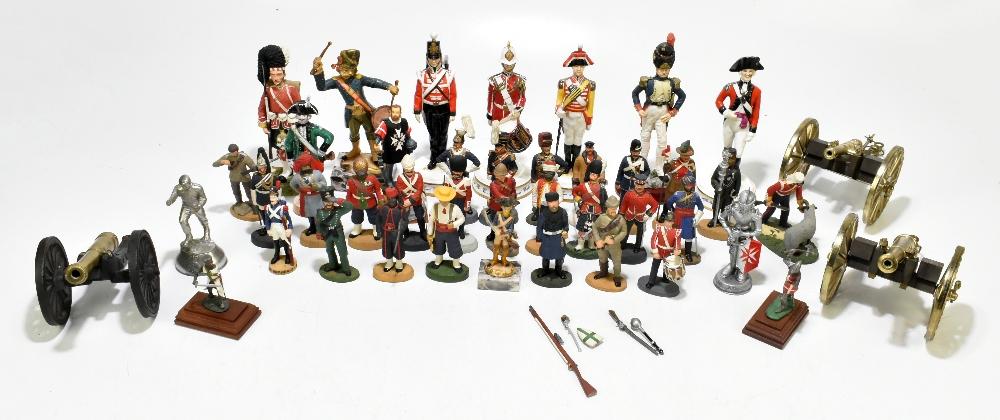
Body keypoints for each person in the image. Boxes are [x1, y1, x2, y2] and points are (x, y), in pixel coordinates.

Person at [311, 49, 400, 162]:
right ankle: (355, 149)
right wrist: (318, 71)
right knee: (353, 133)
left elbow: (373, 82)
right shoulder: (337, 81)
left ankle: (374, 152)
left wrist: (389, 86)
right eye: (343, 67)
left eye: (348, 68)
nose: (345, 71)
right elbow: (322, 87)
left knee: (370, 132)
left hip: (365, 112)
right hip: (351, 113)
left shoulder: (359, 78)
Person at [632, 33, 686, 170]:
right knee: (645, 138)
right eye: (662, 69)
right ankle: (641, 165)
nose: (664, 72)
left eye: (667, 69)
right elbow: (635, 93)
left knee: (662, 141)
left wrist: (672, 112)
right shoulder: (648, 82)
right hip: (648, 113)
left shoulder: (672, 83)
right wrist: (639, 109)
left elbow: (682, 96)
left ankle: (659, 167)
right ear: (657, 68)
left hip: (663, 114)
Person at [414, 35, 457, 169]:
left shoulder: (448, 75)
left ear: (440, 58)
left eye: (436, 58)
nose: (434, 61)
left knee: (443, 135)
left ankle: (442, 158)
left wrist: (452, 112)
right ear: (427, 59)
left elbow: (453, 94)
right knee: (433, 136)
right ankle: (434, 158)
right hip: (429, 109)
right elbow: (418, 94)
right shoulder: (422, 75)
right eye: (431, 58)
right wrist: (417, 110)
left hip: (444, 108)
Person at [257, 45, 301, 160]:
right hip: (275, 124)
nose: (276, 78)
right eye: (273, 75)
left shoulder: (292, 89)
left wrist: (297, 120)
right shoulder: (268, 90)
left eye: (279, 74)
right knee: (278, 145)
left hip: (290, 123)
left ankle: (293, 162)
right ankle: (283, 162)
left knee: (292, 144)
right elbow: (262, 108)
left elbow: (299, 107)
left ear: (284, 74)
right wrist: (263, 124)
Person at [716, 56, 764, 160]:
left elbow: (756, 111)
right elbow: (718, 101)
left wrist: (753, 129)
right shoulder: (730, 87)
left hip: (743, 125)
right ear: (740, 72)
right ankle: (724, 166)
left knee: (738, 152)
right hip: (729, 123)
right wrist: (725, 111)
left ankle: (735, 168)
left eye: (750, 71)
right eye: (745, 71)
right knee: (727, 149)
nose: (748, 73)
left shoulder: (757, 91)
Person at [555, 46, 596, 165]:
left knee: (578, 139)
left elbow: (590, 105)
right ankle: (567, 164)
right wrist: (559, 109)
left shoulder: (590, 84)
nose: (579, 69)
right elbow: (559, 100)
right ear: (572, 67)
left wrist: (589, 119)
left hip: (581, 116)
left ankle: (576, 164)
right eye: (576, 66)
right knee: (568, 139)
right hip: (568, 115)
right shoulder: (563, 83)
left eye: (581, 66)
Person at [487, 42, 527, 145]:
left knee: (512, 139)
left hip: (512, 113)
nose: (509, 66)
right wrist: (490, 115)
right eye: (506, 63)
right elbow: (490, 99)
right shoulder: (494, 80)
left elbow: (522, 98)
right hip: (497, 113)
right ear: (502, 63)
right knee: (498, 140)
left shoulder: (520, 80)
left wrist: (518, 109)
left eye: (511, 64)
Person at [666, 174, 704, 263]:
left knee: (688, 236)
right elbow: (669, 202)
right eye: (687, 185)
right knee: (676, 235)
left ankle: (688, 253)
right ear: (683, 184)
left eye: (690, 185)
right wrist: (673, 211)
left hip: (688, 219)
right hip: (677, 218)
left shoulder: (696, 196)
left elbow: (701, 207)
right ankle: (676, 251)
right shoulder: (677, 194)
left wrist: (696, 218)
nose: (688, 186)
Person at [374, 104, 415, 186]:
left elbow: (407, 133)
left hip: (403, 149)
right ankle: (389, 180)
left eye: (397, 112)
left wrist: (410, 141)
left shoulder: (404, 122)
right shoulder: (385, 123)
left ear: (400, 113)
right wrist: (376, 144)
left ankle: (406, 179)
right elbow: (379, 135)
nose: (395, 114)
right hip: (389, 151)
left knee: (406, 164)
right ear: (390, 112)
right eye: (393, 112)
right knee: (389, 166)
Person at [428, 186, 466, 271]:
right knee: (438, 247)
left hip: (451, 232)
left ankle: (456, 264)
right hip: (439, 232)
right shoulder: (435, 207)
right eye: (442, 199)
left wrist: (454, 224)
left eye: (446, 199)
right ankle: (438, 260)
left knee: (454, 247)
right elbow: (431, 220)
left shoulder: (455, 208)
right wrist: (430, 231)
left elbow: (462, 218)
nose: (444, 201)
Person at [316, 188, 354, 276]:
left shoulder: (338, 211)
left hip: (338, 233)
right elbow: (318, 223)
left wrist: (337, 200)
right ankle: (333, 265)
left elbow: (350, 206)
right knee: (329, 250)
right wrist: (319, 232)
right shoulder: (320, 212)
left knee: (342, 251)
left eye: (330, 201)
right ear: (323, 202)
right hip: (327, 234)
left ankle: (346, 268)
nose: (329, 203)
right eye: (326, 201)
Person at [572, 160, 608, 251]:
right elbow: (574, 191)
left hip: (596, 211)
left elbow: (604, 201)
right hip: (585, 209)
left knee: (593, 229)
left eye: (595, 174)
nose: (593, 175)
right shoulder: (583, 186)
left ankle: (591, 244)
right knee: (582, 228)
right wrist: (579, 199)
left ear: (598, 176)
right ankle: (580, 244)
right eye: (592, 173)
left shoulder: (601, 189)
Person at [592, 195, 628, 287]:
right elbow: (594, 227)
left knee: (616, 261)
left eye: (615, 208)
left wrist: (615, 240)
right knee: (602, 258)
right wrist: (597, 240)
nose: (613, 210)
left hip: (614, 245)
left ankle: (617, 276)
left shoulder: (620, 219)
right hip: (602, 243)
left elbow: (624, 232)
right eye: (611, 208)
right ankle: (603, 272)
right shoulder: (601, 217)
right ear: (607, 208)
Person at [346, 159, 384, 239]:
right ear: (355, 170)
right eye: (359, 171)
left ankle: (376, 229)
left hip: (370, 202)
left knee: (374, 216)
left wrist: (380, 199)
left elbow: (378, 189)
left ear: (366, 169)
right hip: (356, 203)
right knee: (356, 216)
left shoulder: (372, 178)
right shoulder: (351, 181)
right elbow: (349, 193)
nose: (361, 173)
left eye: (363, 171)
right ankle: (357, 228)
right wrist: (348, 202)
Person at [166, 175, 210, 244]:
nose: (183, 188)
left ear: (190, 183)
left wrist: (199, 205)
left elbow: (203, 198)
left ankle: (206, 232)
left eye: (185, 186)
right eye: (182, 186)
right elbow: (173, 197)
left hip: (197, 206)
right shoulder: (178, 188)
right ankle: (189, 236)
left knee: (203, 220)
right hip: (186, 207)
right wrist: (170, 201)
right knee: (182, 221)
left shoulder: (197, 188)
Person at [620, 173, 659, 250]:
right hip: (629, 216)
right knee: (625, 232)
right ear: (634, 183)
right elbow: (624, 204)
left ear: (645, 185)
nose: (639, 187)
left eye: (641, 185)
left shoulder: (647, 195)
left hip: (641, 217)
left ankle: (637, 247)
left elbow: (655, 205)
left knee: (640, 233)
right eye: (637, 184)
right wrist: (621, 214)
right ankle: (622, 245)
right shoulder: (629, 193)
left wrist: (648, 214)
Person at [536, 192, 570, 279]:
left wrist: (565, 231)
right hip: (547, 238)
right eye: (550, 202)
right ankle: (545, 270)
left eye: (555, 202)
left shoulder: (563, 212)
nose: (553, 204)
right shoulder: (543, 213)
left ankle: (559, 270)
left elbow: (566, 225)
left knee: (560, 255)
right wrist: (539, 238)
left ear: (558, 201)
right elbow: (539, 227)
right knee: (545, 255)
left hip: (559, 238)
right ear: (547, 203)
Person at [396, 154, 428, 242]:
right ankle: (406, 232)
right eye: (408, 172)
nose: (410, 173)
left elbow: (419, 190)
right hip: (405, 200)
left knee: (420, 216)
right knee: (404, 217)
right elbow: (399, 191)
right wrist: (404, 202)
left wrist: (411, 200)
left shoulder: (419, 176)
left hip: (416, 200)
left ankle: (423, 231)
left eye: (411, 171)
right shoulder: (400, 178)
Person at [376, 188, 409, 273]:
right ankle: (389, 263)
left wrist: (401, 229)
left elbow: (405, 221)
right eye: (390, 199)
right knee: (386, 248)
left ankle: (399, 264)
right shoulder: (383, 208)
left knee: (398, 248)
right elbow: (378, 220)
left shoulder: (401, 209)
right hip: (385, 233)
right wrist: (378, 231)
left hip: (396, 233)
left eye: (394, 198)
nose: (392, 201)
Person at [646, 212, 682, 289]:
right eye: (666, 221)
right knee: (654, 267)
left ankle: (665, 278)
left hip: (669, 252)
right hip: (659, 251)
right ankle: (651, 282)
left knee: (667, 267)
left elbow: (677, 242)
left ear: (673, 222)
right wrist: (655, 252)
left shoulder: (676, 231)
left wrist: (677, 249)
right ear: (664, 221)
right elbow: (653, 240)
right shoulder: (658, 228)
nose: (668, 223)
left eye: (670, 221)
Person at [708, 147, 741, 228]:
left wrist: (735, 193)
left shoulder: (736, 171)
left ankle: (723, 220)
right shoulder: (720, 167)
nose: (731, 161)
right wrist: (717, 186)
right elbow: (713, 179)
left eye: (732, 159)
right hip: (719, 192)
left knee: (725, 208)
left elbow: (738, 184)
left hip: (728, 194)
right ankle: (714, 218)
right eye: (729, 158)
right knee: (716, 206)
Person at [290, 165, 328, 235]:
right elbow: (292, 184)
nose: (306, 168)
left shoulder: (317, 173)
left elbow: (324, 184)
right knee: (309, 214)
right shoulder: (297, 176)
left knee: (319, 214)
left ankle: (321, 228)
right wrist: (300, 191)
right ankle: (312, 227)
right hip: (306, 198)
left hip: (317, 197)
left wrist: (317, 186)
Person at [443, 154, 473, 239]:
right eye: (454, 172)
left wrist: (467, 205)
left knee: (462, 217)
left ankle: (461, 230)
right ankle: (452, 230)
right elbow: (445, 191)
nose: (456, 174)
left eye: (458, 172)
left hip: (461, 201)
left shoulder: (466, 181)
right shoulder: (448, 179)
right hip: (451, 200)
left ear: (462, 171)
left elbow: (469, 195)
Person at [263, 188, 294, 265]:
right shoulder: (267, 208)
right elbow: (267, 220)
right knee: (275, 242)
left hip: (281, 226)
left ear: (277, 197)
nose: (272, 198)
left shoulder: (282, 208)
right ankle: (276, 255)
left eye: (274, 196)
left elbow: (288, 219)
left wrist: (289, 228)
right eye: (271, 197)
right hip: (273, 228)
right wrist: (268, 229)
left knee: (285, 242)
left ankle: (287, 255)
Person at [487, 163, 516, 242]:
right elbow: (498, 195)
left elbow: (513, 191)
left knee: (508, 221)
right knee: (494, 221)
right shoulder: (493, 184)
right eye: (498, 175)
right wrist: (508, 199)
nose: (500, 177)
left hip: (507, 206)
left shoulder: (511, 181)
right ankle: (493, 234)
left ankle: (508, 234)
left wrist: (513, 198)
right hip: (496, 206)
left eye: (502, 175)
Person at [487, 197, 519, 269]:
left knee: (505, 246)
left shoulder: (511, 218)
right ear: (502, 207)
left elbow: (511, 228)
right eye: (505, 208)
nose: (506, 210)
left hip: (506, 235)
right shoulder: (498, 215)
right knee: (496, 246)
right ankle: (495, 259)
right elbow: (494, 224)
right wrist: (496, 229)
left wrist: (507, 233)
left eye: (508, 208)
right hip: (498, 234)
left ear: (511, 208)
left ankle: (504, 259)